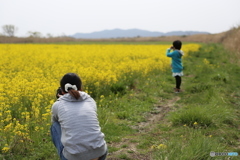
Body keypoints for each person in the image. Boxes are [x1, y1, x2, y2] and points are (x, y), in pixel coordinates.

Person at [50, 73, 108, 160]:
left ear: (62, 90)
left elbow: (55, 121)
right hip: (100, 153)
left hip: (75, 157)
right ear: (81, 88)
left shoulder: (58, 105)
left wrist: (61, 99)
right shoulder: (90, 100)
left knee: (54, 126)